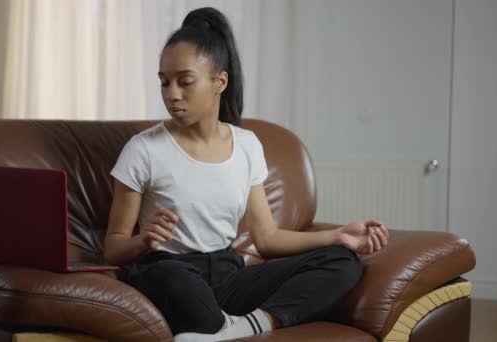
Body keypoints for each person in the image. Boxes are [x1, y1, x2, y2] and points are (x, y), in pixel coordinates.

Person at [104, 7, 389, 342]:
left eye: (185, 81)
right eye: (164, 82)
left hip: (227, 277)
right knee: (173, 279)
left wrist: (339, 235)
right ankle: (221, 326)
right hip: (170, 271)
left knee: (343, 262)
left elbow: (266, 239)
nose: (172, 94)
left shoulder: (247, 145)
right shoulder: (143, 150)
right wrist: (143, 241)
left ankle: (244, 326)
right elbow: (112, 248)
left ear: (219, 81)